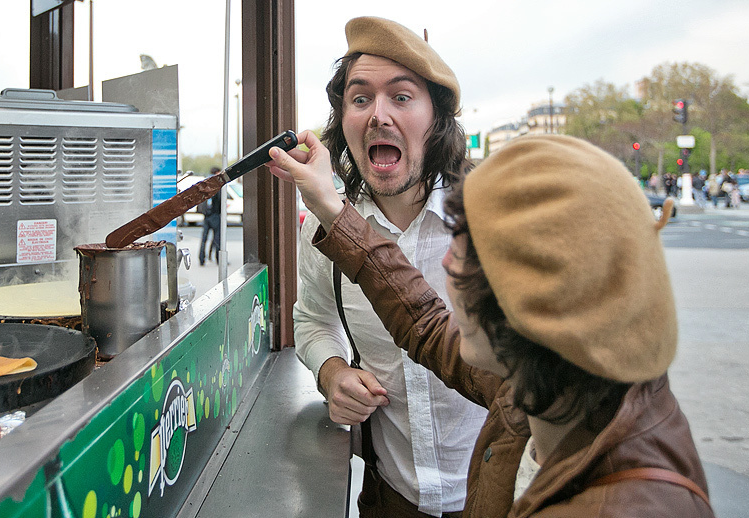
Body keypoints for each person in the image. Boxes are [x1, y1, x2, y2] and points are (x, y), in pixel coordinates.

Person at [269, 133, 714, 517]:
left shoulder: (631, 505)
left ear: (523, 296)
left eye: (464, 252)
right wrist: (333, 211)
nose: (445, 263)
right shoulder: (548, 377)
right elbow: (424, 322)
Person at [288, 16, 488, 517]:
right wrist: (331, 372)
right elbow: (312, 319)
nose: (378, 114)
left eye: (401, 96)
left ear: (437, 118)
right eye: (360, 98)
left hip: (499, 495)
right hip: (387, 496)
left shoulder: (488, 221)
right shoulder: (323, 227)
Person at [198, 166, 222, 266]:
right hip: (215, 214)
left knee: (204, 238)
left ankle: (201, 258)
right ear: (216, 173)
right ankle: (218, 258)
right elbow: (220, 200)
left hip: (206, 215)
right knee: (217, 238)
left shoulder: (205, 183)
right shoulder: (217, 184)